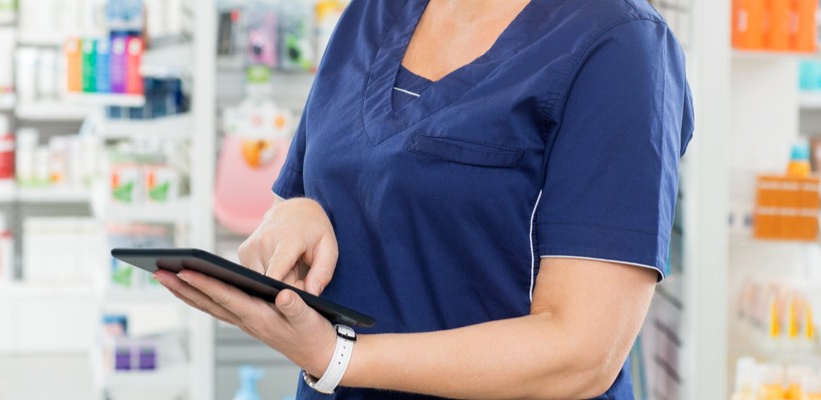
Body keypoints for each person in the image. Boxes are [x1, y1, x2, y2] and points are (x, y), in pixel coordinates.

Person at [157, 0, 694, 398]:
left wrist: (338, 357)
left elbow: (582, 353)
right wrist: (299, 215)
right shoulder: (372, 13)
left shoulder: (620, 45)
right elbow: (315, 185)